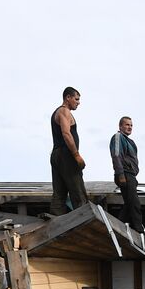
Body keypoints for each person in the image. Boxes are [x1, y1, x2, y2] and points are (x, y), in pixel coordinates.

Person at [49, 87, 87, 216]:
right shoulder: (64, 111)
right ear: (68, 98)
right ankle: (83, 222)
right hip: (66, 155)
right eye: (76, 99)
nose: (78, 102)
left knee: (59, 194)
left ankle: (55, 222)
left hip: (56, 155)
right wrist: (76, 155)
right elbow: (66, 133)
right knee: (78, 192)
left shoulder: (58, 112)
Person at [109, 116, 143, 232]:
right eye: (127, 125)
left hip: (131, 175)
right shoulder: (118, 137)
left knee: (129, 203)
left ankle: (116, 227)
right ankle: (139, 230)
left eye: (131, 125)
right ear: (120, 126)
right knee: (134, 203)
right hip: (125, 174)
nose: (130, 127)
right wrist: (120, 174)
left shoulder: (130, 141)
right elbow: (116, 155)